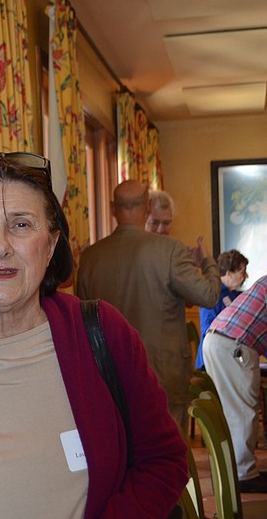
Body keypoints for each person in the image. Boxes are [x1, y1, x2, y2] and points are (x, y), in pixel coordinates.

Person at [0, 153, 187, 518]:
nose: (0, 245)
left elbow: (164, 460)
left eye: (21, 224)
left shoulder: (104, 333)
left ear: (50, 245)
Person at [76, 180, 220, 431]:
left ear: (112, 208)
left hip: (108, 375)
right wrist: (207, 262)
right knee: (169, 448)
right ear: (148, 206)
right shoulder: (170, 250)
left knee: (120, 446)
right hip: (162, 373)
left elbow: (82, 320)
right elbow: (208, 296)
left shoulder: (90, 257)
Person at [202, 264, 267, 493]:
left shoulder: (266, 283)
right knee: (243, 410)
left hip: (217, 341)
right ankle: (243, 474)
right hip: (234, 346)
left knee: (233, 411)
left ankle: (239, 470)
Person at [194, 249, 249, 369]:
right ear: (229, 273)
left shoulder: (235, 295)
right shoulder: (213, 294)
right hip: (211, 362)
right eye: (242, 272)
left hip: (227, 357)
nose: (246, 276)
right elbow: (207, 329)